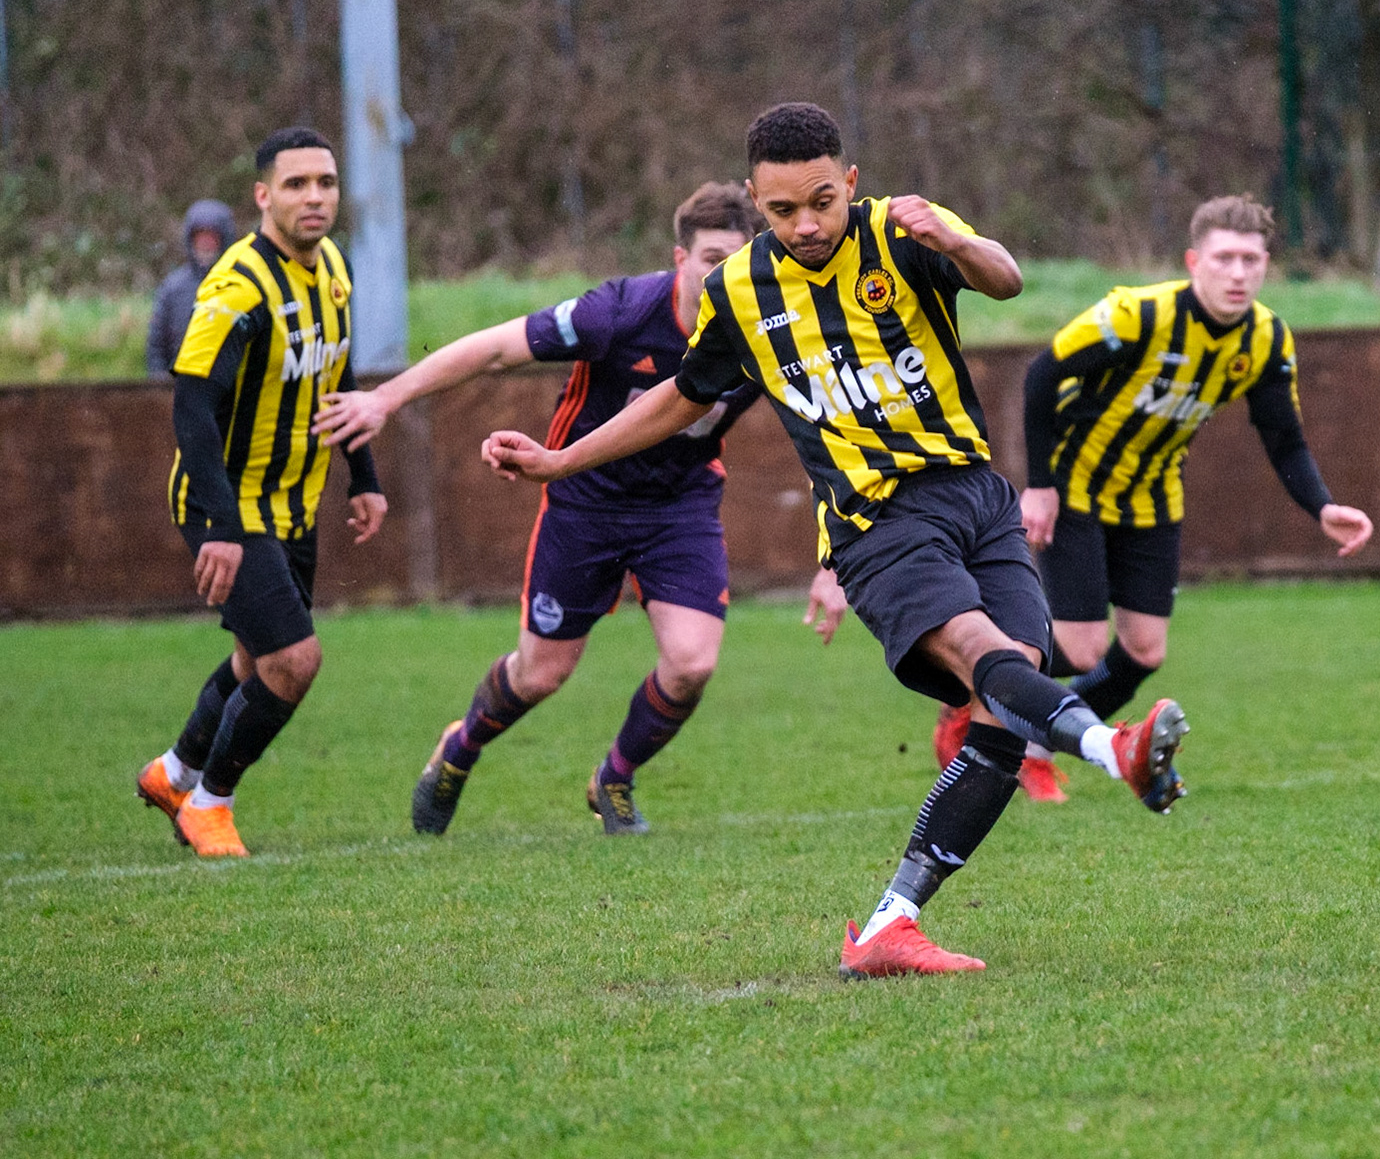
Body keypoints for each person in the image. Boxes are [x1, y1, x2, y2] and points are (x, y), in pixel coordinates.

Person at [480, 103, 1190, 978]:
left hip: (977, 496)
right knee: (990, 657)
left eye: (822, 201)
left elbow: (1005, 281)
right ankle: (1113, 748)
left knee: (1007, 707)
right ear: (756, 202)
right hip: (874, 520)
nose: (807, 225)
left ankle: (890, 926)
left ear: (850, 181)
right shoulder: (739, 289)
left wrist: (956, 242)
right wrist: (561, 460)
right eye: (783, 210)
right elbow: (683, 396)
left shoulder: (900, 231)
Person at [312, 182, 838, 836]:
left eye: (735, 261)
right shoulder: (618, 314)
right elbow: (496, 348)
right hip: (586, 504)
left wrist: (834, 559)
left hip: (678, 508)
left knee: (692, 663)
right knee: (540, 674)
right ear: (680, 259)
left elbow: (829, 431)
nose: (721, 276)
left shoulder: (769, 328)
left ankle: (613, 778)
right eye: (710, 260)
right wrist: (384, 398)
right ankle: (461, 746)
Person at [933, 195, 1372, 801]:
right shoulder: (1136, 315)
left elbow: (1284, 439)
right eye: (1224, 259)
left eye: (1250, 260)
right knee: (1082, 647)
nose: (1238, 273)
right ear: (1194, 262)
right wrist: (1040, 487)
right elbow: (1042, 375)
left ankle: (1033, 744)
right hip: (1078, 488)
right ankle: (972, 696)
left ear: (1267, 266)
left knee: (1143, 650)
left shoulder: (1267, 339)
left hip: (1154, 499)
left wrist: (1323, 507)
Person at [135, 127, 386, 858]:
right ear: (263, 195)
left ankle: (173, 772)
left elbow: (338, 377)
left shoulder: (334, 268)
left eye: (326, 183)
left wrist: (364, 476)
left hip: (293, 504)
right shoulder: (238, 285)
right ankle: (209, 804)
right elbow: (192, 406)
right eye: (296, 184)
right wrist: (220, 527)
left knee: (256, 658)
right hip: (228, 505)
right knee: (293, 661)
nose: (315, 197)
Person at [146, 200, 238, 379]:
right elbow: (156, 347)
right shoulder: (172, 288)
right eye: (200, 237)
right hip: (178, 385)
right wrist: (160, 384)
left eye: (211, 237)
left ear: (224, 239)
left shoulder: (242, 284)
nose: (205, 244)